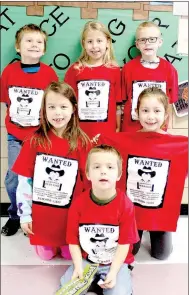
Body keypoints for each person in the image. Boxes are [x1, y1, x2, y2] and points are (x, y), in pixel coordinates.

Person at [94, 87, 188, 260]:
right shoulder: (125, 141)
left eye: (157, 111)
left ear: (166, 114)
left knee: (162, 255)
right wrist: (98, 139)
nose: (151, 116)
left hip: (160, 213)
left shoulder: (177, 146)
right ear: (137, 113)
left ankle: (157, 234)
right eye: (145, 110)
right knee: (131, 252)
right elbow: (103, 149)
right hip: (133, 212)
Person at [12, 81, 90, 260]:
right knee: (46, 256)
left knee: (69, 255)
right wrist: (25, 215)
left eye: (63, 106)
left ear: (73, 109)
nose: (57, 112)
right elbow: (24, 181)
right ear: (44, 110)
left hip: (69, 218)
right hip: (43, 217)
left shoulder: (82, 142)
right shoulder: (34, 141)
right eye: (51, 107)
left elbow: (87, 183)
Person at [1, 24, 58, 236]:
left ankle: (33, 217)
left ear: (44, 49)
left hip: (40, 136)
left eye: (39, 42)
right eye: (28, 41)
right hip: (16, 136)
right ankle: (15, 216)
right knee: (14, 179)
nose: (34, 45)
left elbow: (53, 104)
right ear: (18, 47)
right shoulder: (9, 72)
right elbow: (8, 102)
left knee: (40, 178)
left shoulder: (49, 74)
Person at [59, 145, 139, 295]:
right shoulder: (78, 203)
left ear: (119, 174)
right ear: (88, 174)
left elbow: (124, 244)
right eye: (96, 167)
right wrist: (77, 267)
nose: (103, 171)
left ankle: (112, 279)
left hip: (115, 262)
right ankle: (93, 282)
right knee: (66, 291)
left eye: (110, 167)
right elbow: (73, 241)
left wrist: (114, 272)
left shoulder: (126, 205)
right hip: (86, 261)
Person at [64, 21, 122, 138]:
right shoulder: (75, 70)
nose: (95, 46)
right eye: (90, 42)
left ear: (107, 42)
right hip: (80, 134)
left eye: (99, 41)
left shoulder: (114, 70)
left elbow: (118, 106)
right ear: (84, 44)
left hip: (107, 134)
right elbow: (66, 103)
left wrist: (118, 129)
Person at [121, 21, 178, 132]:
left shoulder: (170, 70)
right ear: (137, 44)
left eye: (152, 39)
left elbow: (170, 103)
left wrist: (167, 128)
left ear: (160, 42)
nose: (147, 43)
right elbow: (123, 102)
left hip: (157, 130)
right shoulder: (128, 69)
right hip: (131, 130)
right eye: (143, 40)